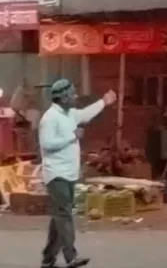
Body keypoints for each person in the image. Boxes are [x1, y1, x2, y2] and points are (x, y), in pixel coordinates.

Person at [38, 79, 117, 268]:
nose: (76, 96)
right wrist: (72, 136)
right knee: (64, 215)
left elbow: (86, 114)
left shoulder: (70, 114)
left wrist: (104, 102)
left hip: (69, 173)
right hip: (56, 174)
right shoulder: (49, 118)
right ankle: (71, 257)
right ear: (64, 98)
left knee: (60, 216)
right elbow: (47, 144)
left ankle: (48, 259)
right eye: (72, 94)